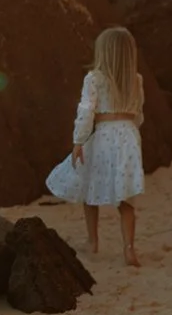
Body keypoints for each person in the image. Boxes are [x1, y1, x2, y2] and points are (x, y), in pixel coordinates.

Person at [45, 25, 146, 266]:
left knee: (90, 187)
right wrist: (132, 134)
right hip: (128, 134)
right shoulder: (136, 80)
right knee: (126, 197)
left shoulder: (94, 78)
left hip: (103, 134)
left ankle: (93, 241)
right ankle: (129, 248)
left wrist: (79, 140)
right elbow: (139, 113)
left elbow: (86, 110)